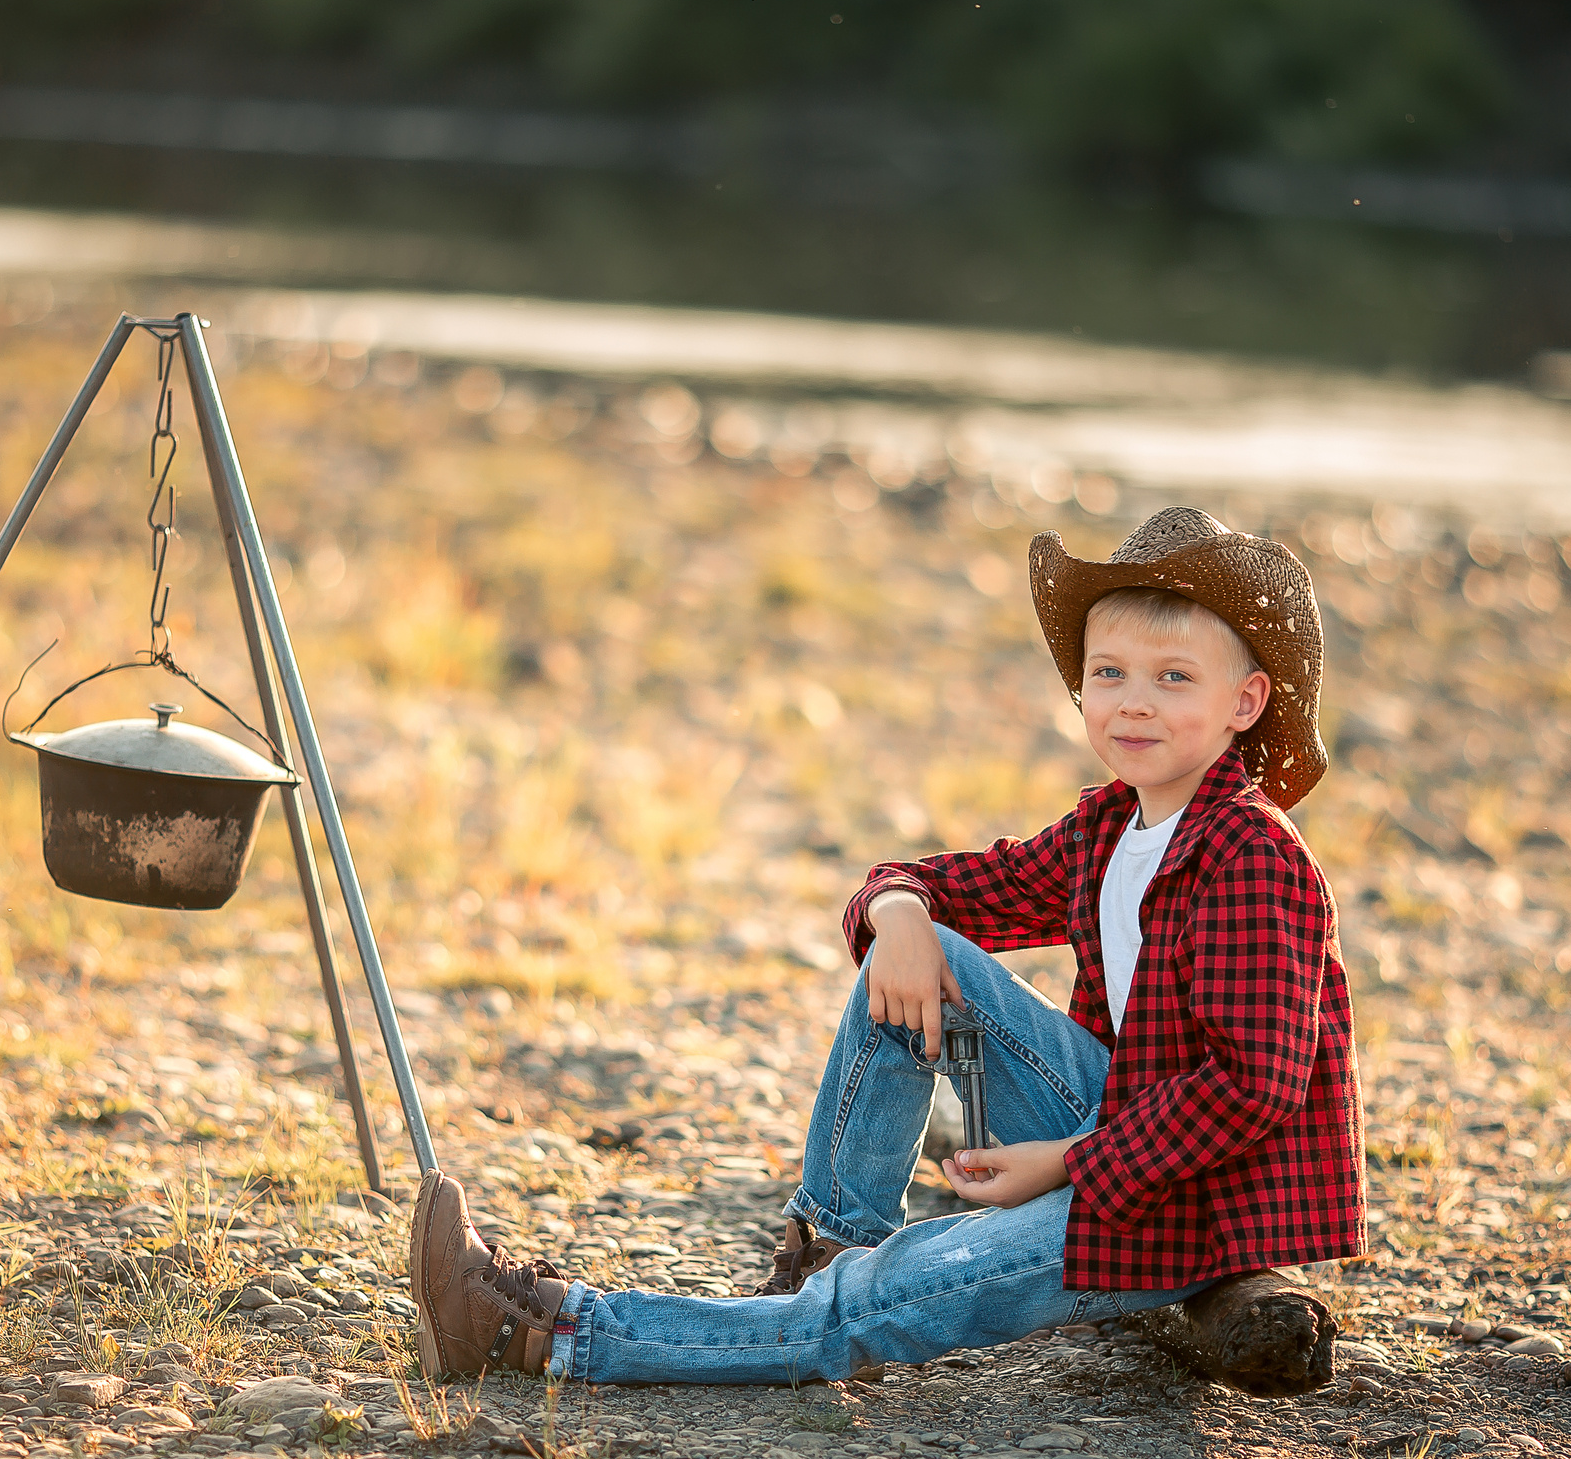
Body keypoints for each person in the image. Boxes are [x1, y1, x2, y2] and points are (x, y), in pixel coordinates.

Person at [408, 506, 1363, 1385]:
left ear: (1245, 702)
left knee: (885, 1296)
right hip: (1123, 1117)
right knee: (910, 960)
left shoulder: (1250, 856)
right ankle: (828, 1242)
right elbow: (936, 885)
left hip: (1182, 1200)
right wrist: (901, 916)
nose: (1134, 705)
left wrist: (1065, 1162)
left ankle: (547, 1333)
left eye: (1174, 679)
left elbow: (1253, 1089)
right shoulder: (1114, 825)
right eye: (1109, 673)